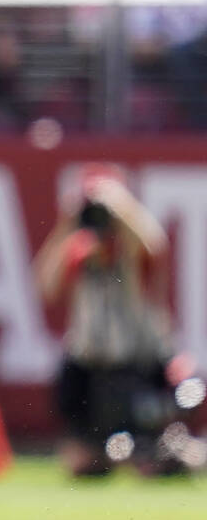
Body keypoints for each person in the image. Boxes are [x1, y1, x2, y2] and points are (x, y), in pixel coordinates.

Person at [33, 164, 180, 476]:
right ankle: (101, 450)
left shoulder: (133, 251)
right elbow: (45, 285)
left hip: (137, 364)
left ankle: (149, 450)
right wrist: (68, 224)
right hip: (90, 366)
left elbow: (155, 244)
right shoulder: (79, 251)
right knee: (83, 464)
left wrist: (120, 207)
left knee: (153, 458)